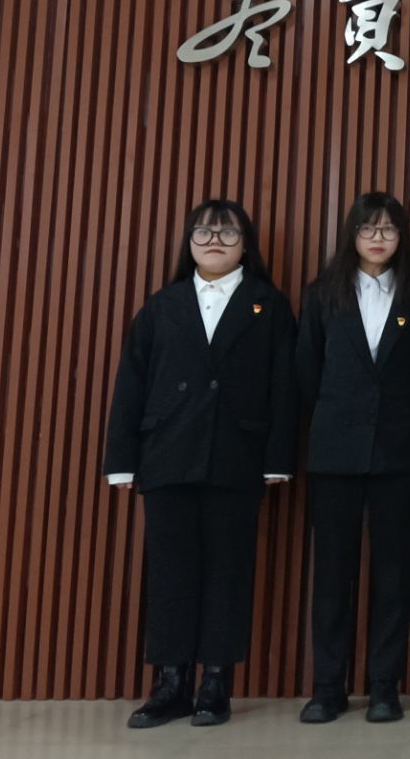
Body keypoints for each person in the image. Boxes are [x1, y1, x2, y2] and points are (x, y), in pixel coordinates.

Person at [102, 198, 296, 729]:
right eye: (204, 232)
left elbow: (284, 386)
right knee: (169, 572)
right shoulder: (162, 305)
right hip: (168, 454)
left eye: (228, 233)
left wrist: (277, 458)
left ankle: (215, 683)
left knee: (228, 571)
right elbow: (131, 383)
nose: (215, 241)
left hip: (238, 456)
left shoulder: (268, 304)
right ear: (188, 242)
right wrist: (122, 461)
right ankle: (170, 684)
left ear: (245, 245)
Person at [296, 192, 410, 724]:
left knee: (393, 574)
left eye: (388, 229)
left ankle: (383, 687)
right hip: (334, 454)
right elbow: (306, 374)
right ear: (351, 234)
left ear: (401, 238)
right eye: (368, 228)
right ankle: (327, 687)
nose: (378, 238)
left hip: (397, 456)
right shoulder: (321, 294)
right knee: (332, 574)